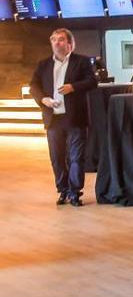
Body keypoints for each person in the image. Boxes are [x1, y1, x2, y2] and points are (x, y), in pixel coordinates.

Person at [30, 28, 97, 207]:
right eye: (53, 39)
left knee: (76, 157)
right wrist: (43, 99)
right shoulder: (43, 64)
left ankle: (75, 192)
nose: (56, 43)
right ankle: (63, 190)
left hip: (75, 117)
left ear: (69, 44)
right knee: (57, 157)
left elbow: (92, 81)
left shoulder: (81, 62)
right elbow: (33, 86)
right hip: (53, 118)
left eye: (60, 40)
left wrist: (73, 87)